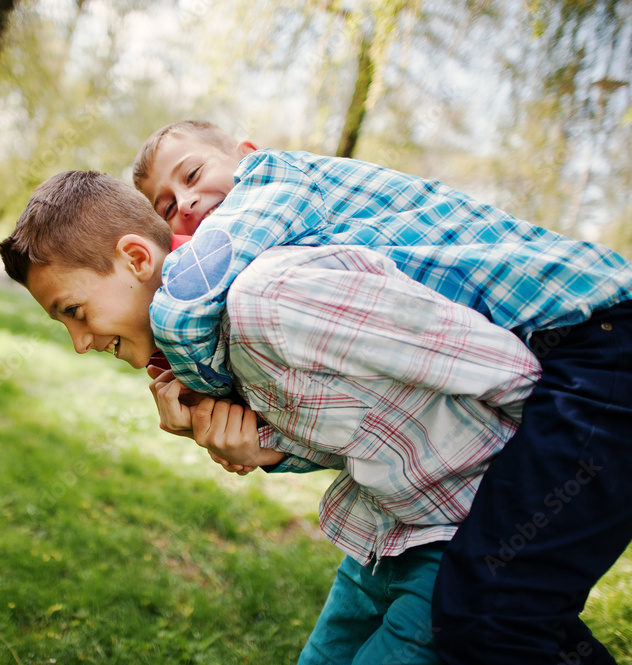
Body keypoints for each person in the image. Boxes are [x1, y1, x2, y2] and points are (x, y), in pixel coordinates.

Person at [132, 120, 632, 665]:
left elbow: (187, 304)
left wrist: (193, 384)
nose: (183, 202)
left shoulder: (273, 183)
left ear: (247, 155)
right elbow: (354, 411)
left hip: (603, 340)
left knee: (491, 612)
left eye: (193, 173)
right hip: (571, 351)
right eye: (164, 205)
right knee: (506, 609)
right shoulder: (294, 264)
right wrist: (265, 443)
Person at [0, 170, 542, 665]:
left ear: (137, 259)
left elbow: (493, 365)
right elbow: (362, 425)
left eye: (74, 312)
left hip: (461, 534)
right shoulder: (207, 349)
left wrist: (542, 501)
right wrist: (263, 449)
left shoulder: (269, 299)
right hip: (381, 536)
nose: (78, 343)